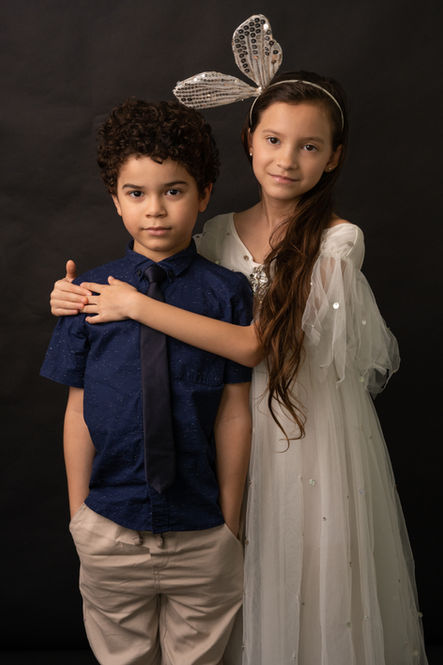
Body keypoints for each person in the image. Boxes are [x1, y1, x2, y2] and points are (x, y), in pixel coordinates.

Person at [48, 20, 428, 665]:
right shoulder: (217, 230)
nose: (287, 159)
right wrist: (76, 296)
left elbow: (256, 348)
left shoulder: (336, 241)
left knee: (296, 572)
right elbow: (171, 282)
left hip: (300, 427)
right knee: (219, 588)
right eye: (273, 140)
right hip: (217, 420)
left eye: (310, 146)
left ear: (334, 157)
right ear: (249, 140)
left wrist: (132, 304)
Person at [41, 98, 254, 665]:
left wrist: (231, 520)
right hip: (110, 525)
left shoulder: (227, 294)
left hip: (203, 529)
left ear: (204, 194)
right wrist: (79, 515)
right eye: (136, 193)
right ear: (116, 200)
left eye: (174, 191)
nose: (155, 210)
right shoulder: (86, 294)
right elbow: (77, 412)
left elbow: (235, 411)